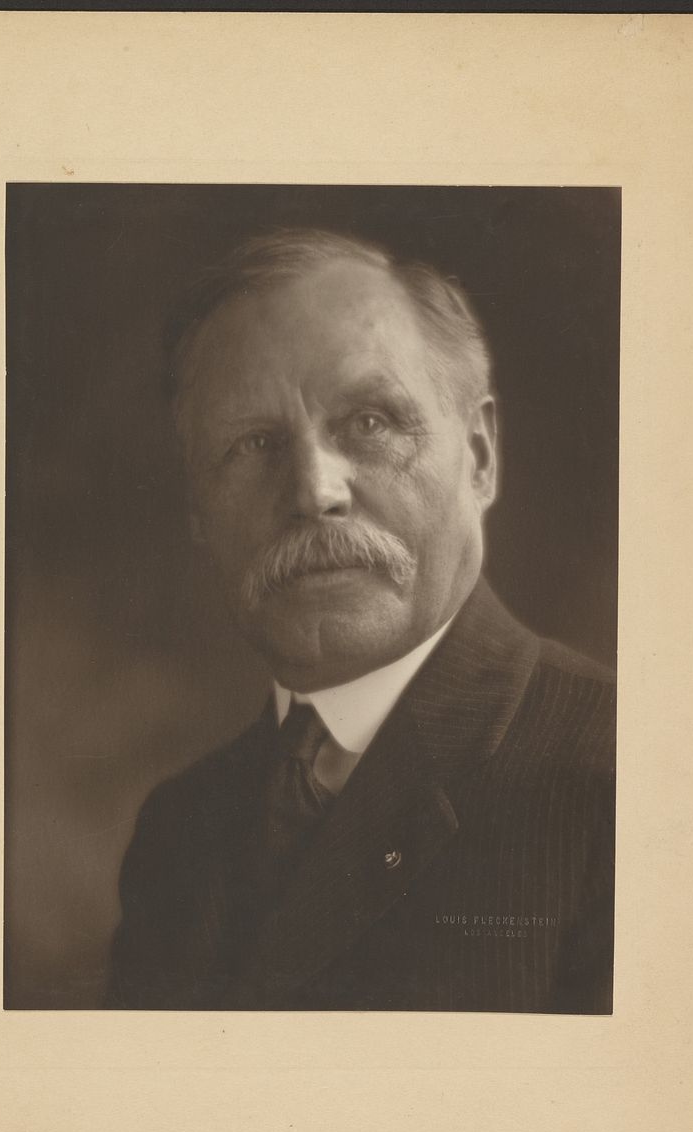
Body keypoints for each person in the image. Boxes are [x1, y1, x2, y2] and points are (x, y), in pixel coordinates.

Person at [106, 228, 615, 1013]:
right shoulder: (177, 832)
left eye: (371, 422)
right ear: (198, 513)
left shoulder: (620, 777)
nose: (314, 491)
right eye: (253, 443)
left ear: (479, 457)